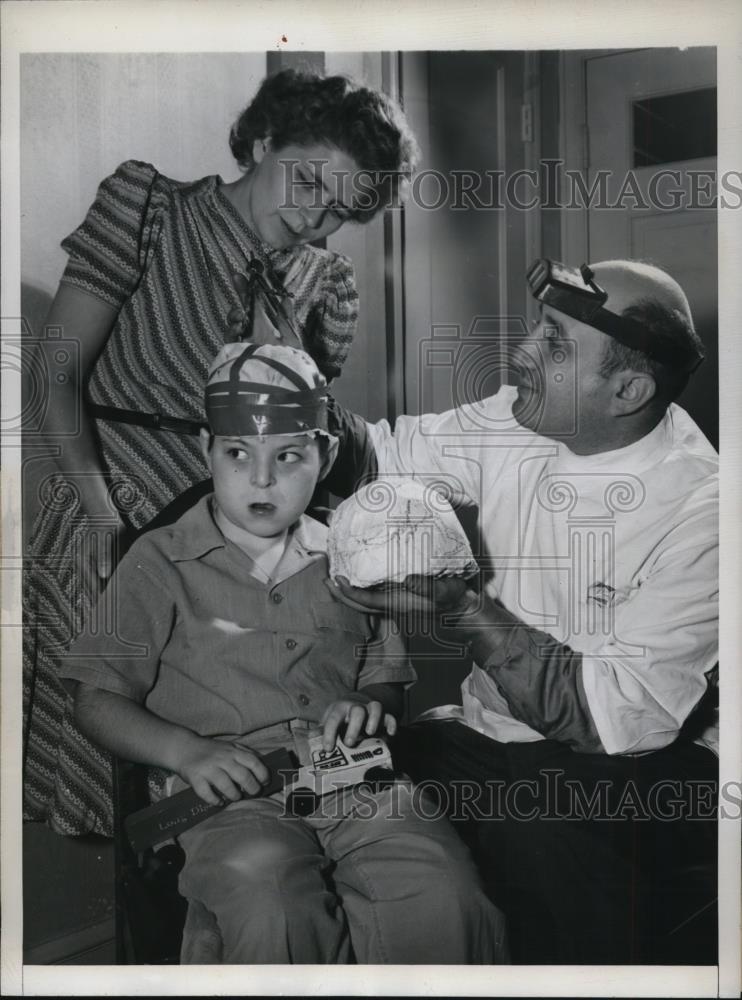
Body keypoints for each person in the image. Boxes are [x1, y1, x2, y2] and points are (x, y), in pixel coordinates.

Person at [23, 68, 420, 836]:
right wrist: (106, 518)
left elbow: (300, 436)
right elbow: (55, 375)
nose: (315, 216)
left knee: (264, 751)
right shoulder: (149, 207)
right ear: (264, 140)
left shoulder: (321, 282)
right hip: (117, 504)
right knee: (137, 775)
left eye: (340, 209)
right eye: (308, 181)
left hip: (247, 533)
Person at [58, 342, 506, 965]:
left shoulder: (353, 557)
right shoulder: (157, 564)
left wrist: (367, 703)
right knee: (272, 909)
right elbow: (96, 700)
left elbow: (385, 681)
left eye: (288, 456)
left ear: (323, 458)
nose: (261, 478)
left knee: (445, 896)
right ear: (206, 451)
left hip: (359, 782)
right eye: (237, 454)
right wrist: (186, 752)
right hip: (232, 798)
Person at [328, 259, 719, 964]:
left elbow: (606, 719)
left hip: (651, 765)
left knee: (527, 829)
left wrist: (457, 604)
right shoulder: (518, 418)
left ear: (628, 389)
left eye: (556, 344)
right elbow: (378, 456)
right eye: (540, 326)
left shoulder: (709, 510)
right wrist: (299, 404)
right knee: (332, 776)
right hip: (494, 739)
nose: (521, 351)